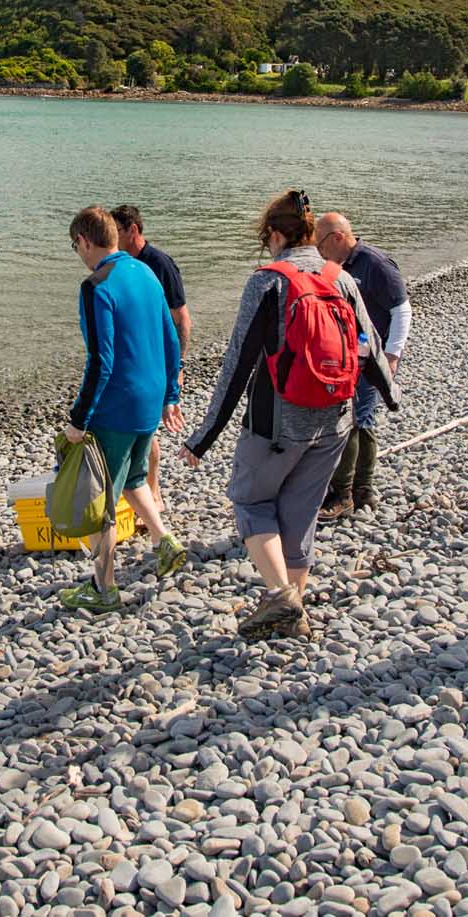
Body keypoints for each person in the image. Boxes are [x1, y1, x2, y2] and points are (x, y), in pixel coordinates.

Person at [181, 190, 394, 641]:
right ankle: (293, 617)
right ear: (312, 234)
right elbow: (370, 348)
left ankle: (280, 596)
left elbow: (237, 364)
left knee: (251, 501)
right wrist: (388, 397)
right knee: (300, 516)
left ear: (275, 234)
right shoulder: (341, 277)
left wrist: (204, 436)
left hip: (277, 423)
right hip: (335, 419)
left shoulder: (268, 281)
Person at [58, 206, 188, 612]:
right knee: (132, 477)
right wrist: (169, 393)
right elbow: (170, 336)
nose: (77, 253)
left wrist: (79, 419)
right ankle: (163, 540)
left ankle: (104, 589)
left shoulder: (96, 285)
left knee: (99, 501)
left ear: (84, 241)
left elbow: (102, 359)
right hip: (149, 399)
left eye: (74, 245)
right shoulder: (145, 271)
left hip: (117, 406)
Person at [315, 212, 410, 518]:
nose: (317, 251)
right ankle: (357, 489)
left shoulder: (375, 264)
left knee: (358, 419)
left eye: (319, 244)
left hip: (370, 358)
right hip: (343, 358)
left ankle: (349, 492)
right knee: (350, 416)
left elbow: (402, 309)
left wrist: (392, 356)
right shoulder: (334, 266)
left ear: (338, 238)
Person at [112, 204, 191, 511]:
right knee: (144, 428)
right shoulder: (121, 264)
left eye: (116, 232)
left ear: (133, 230)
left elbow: (182, 318)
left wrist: (178, 365)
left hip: (158, 358)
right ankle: (147, 493)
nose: (112, 239)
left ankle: (153, 493)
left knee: (146, 429)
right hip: (137, 358)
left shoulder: (158, 263)